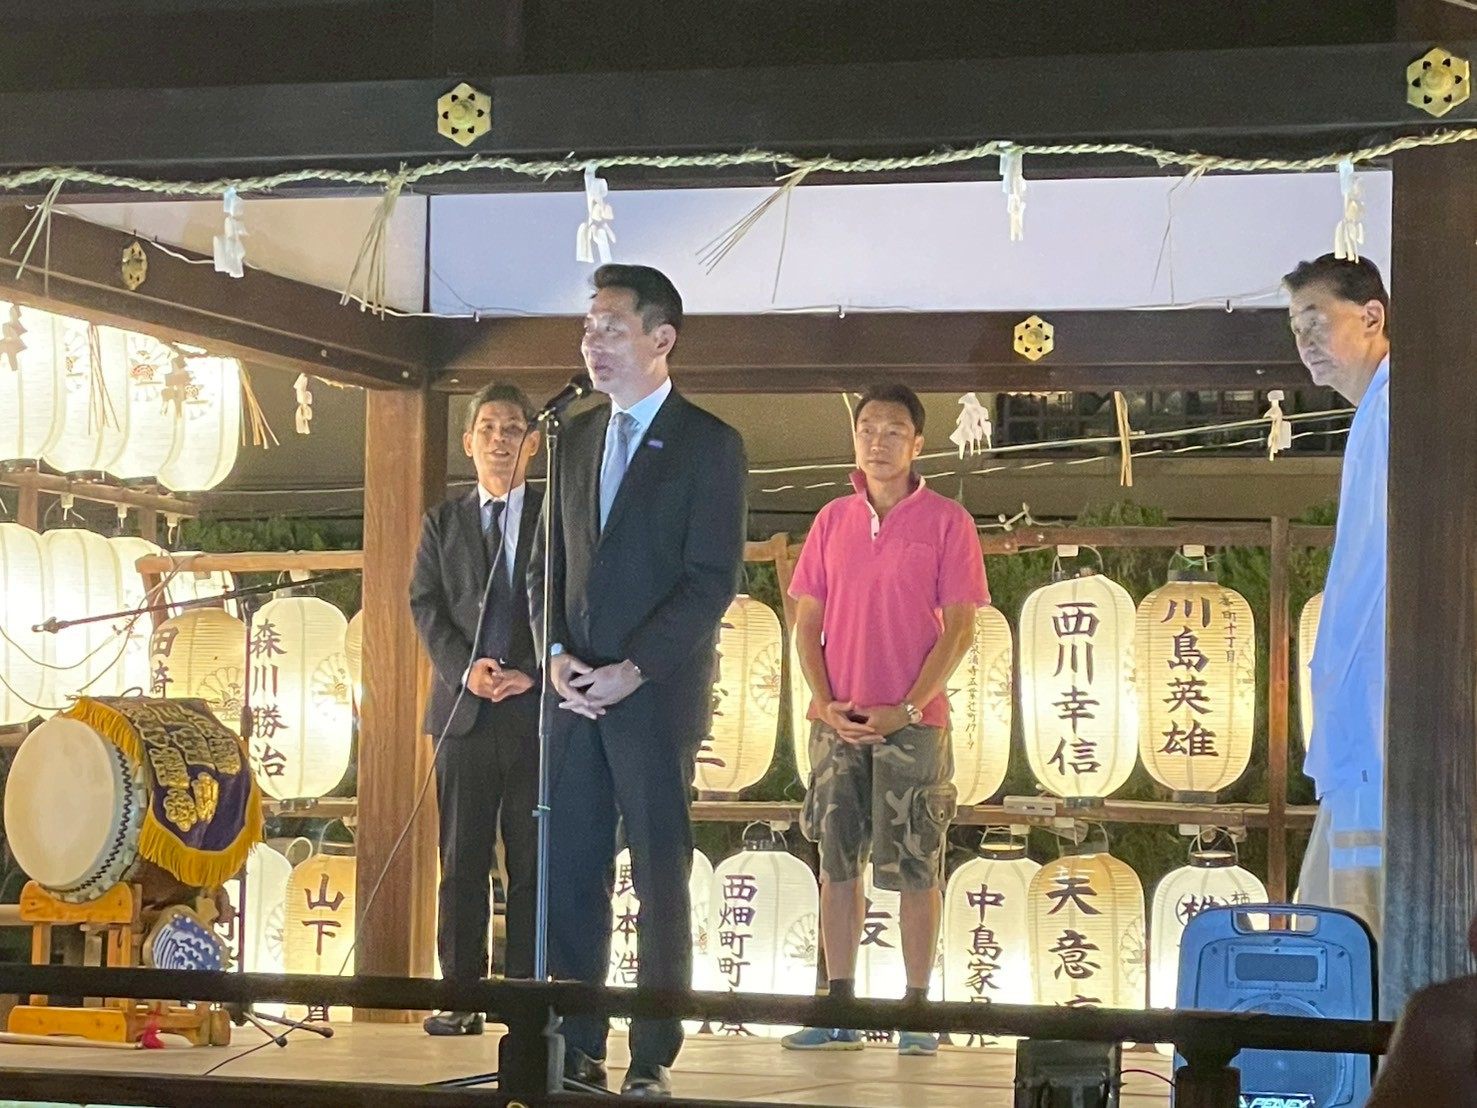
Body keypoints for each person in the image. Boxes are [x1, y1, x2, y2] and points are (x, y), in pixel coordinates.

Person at [531, 263, 747, 1098]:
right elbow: (547, 564)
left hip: (652, 693)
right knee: (572, 867)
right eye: (588, 329)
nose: (594, 344)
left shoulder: (707, 443)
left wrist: (634, 668)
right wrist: (555, 652)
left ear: (661, 339)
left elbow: (709, 578)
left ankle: (653, 1050)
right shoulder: (575, 437)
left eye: (612, 328)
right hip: (574, 694)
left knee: (658, 872)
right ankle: (577, 1042)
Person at [781, 383, 988, 1056]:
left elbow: (960, 629)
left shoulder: (948, 522)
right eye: (867, 428)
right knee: (835, 862)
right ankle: (838, 1005)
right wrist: (825, 702)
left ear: (917, 443)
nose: (878, 441)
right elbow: (804, 622)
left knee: (918, 865)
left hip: (915, 725)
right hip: (836, 722)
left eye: (893, 430)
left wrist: (906, 708)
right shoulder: (831, 519)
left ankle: (917, 1012)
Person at [409, 383, 543, 1035]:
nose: (499, 440)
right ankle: (460, 997)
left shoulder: (556, 518)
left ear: (533, 443)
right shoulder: (444, 521)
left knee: (531, 861)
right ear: (468, 442)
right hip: (463, 716)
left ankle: (523, 999)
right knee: (461, 860)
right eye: (487, 428)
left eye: (512, 428)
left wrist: (534, 671)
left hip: (534, 714)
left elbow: (575, 603)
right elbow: (425, 603)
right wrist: (467, 669)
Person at [1285, 254, 1390, 940]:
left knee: (1357, 929)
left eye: (1314, 320)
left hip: (1383, 711)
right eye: (1294, 328)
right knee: (1344, 923)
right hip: (1365, 714)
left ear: (1371, 316)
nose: (1304, 341)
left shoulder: (1398, 406)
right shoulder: (1377, 411)